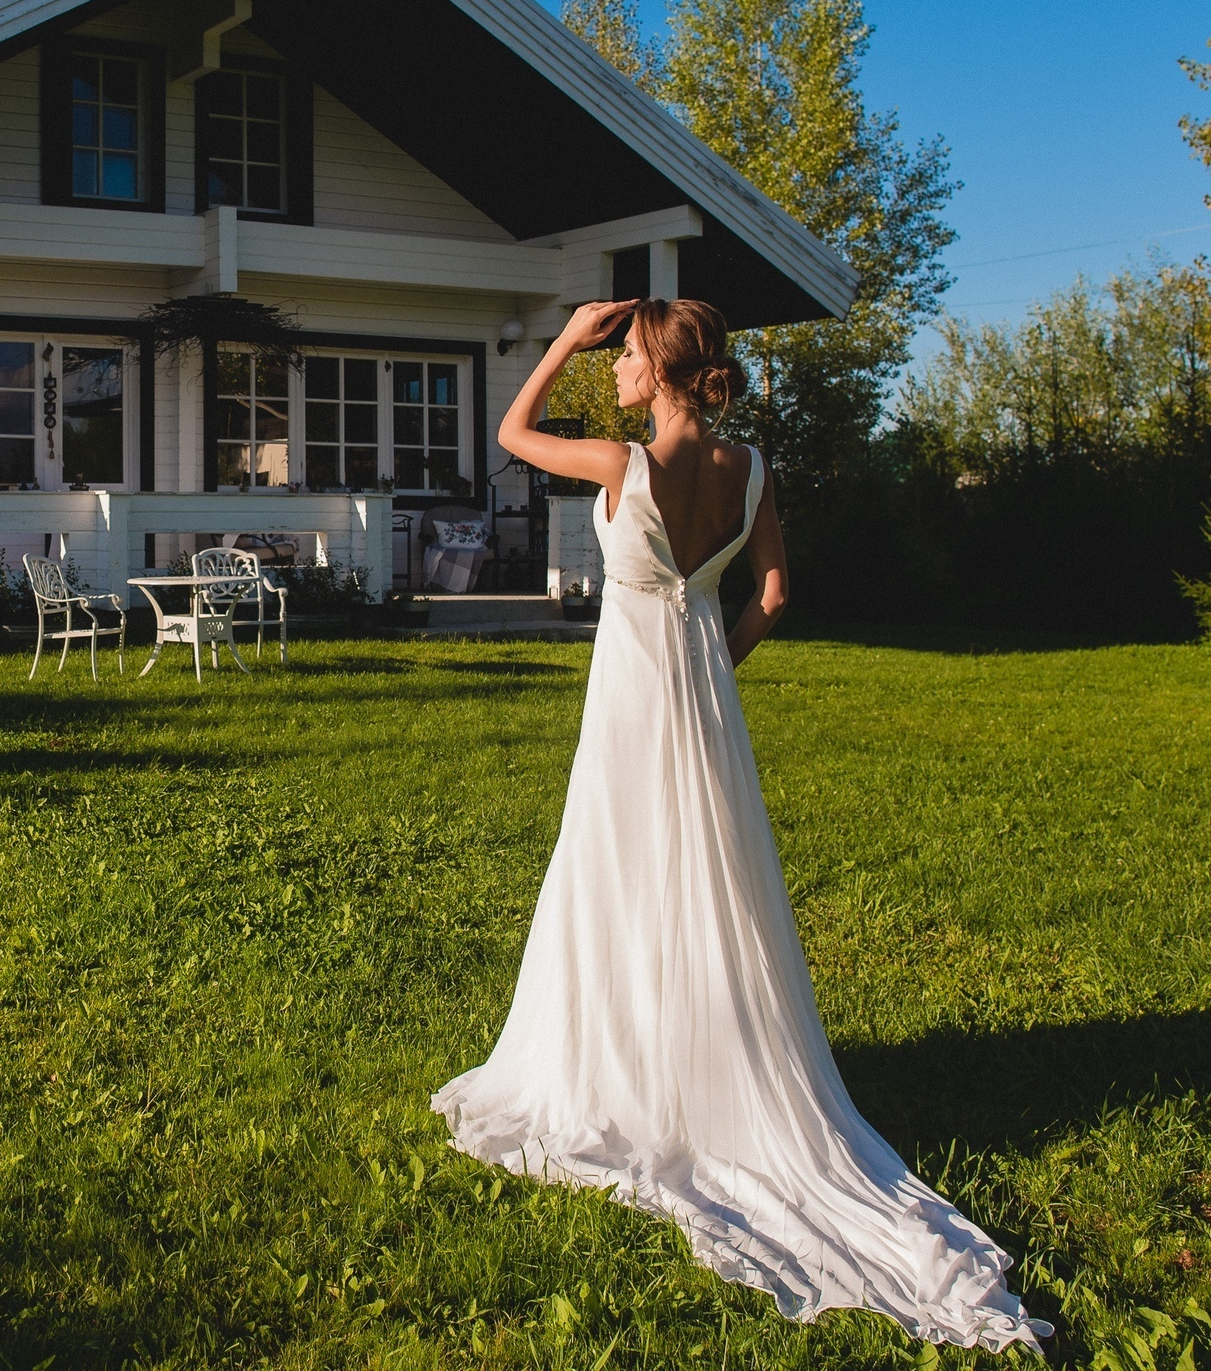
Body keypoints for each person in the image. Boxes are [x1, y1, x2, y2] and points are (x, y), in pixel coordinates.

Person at [433, 297, 1049, 1352]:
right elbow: (771, 593)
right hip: (702, 709)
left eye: (622, 357)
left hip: (631, 711)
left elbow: (508, 436)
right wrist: (708, 664)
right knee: (704, 886)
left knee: (621, 880)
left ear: (661, 370)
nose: (613, 371)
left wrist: (562, 336)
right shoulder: (751, 467)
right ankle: (699, 1062)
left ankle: (628, 1076)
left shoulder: (625, 465)